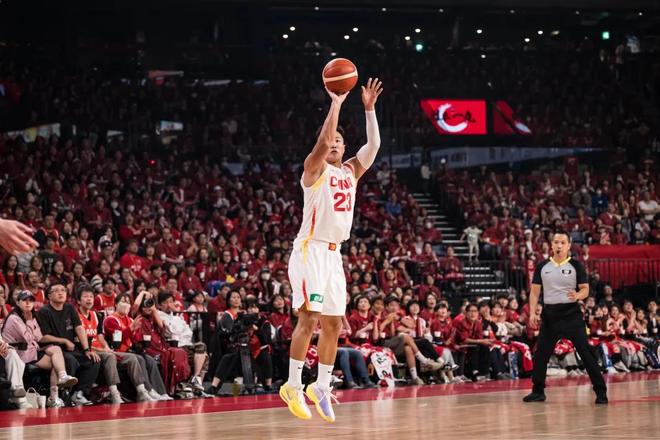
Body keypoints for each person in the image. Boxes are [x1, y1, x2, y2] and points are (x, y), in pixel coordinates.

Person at [280, 78, 383, 423]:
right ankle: (293, 385)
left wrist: (369, 110)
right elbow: (324, 141)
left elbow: (374, 145)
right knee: (308, 318)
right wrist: (337, 103)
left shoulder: (350, 171)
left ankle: (321, 386)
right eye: (331, 140)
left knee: (334, 323)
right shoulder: (314, 169)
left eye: (340, 140)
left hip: (334, 254)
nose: (335, 143)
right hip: (310, 250)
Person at [523, 231, 608, 405]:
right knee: (541, 354)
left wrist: (577, 295)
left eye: (562, 242)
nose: (559, 245)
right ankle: (538, 391)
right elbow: (535, 292)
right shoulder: (542, 266)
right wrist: (532, 313)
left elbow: (585, 289)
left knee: (585, 352)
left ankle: (601, 391)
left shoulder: (576, 265)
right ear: (551, 245)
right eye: (556, 242)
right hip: (550, 315)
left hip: (572, 315)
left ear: (569, 245)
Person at [76, 284, 153, 403]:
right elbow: (80, 342)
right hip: (90, 351)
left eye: (91, 296)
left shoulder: (96, 315)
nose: (89, 299)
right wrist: (103, 350)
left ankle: (142, 391)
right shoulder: (77, 316)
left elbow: (100, 336)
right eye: (85, 297)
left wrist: (106, 347)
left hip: (105, 350)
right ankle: (114, 393)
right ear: (78, 300)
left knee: (133, 358)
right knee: (110, 356)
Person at [2, 290, 78, 408]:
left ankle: (58, 386)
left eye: (31, 301)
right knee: (55, 360)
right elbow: (28, 338)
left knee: (56, 351)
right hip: (18, 352)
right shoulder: (14, 318)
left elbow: (38, 337)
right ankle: (54, 395)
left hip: (30, 350)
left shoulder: (31, 316)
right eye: (24, 300)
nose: (28, 303)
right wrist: (29, 321)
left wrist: (31, 323)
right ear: (17, 302)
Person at [37, 283, 102, 406]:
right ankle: (63, 396)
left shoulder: (69, 308)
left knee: (93, 361)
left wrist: (87, 349)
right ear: (49, 296)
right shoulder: (44, 311)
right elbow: (43, 337)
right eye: (56, 290)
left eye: (63, 290)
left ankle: (79, 394)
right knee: (71, 361)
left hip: (70, 349)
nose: (61, 293)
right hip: (52, 349)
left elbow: (79, 328)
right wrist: (64, 341)